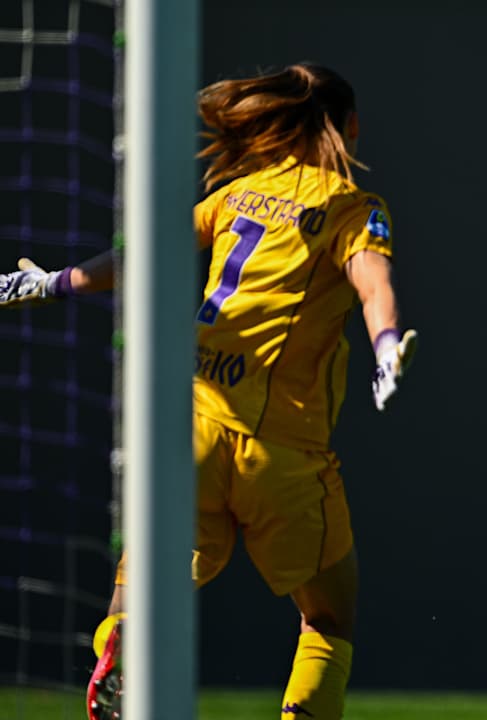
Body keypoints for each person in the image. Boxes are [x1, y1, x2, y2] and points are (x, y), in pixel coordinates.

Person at [0, 62, 416, 720]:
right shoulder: (352, 206)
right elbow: (371, 280)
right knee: (329, 618)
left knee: (134, 596)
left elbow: (143, 257)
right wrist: (387, 342)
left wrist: (52, 282)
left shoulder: (239, 193)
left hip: (191, 431)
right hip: (282, 452)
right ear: (352, 126)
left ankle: (120, 651)